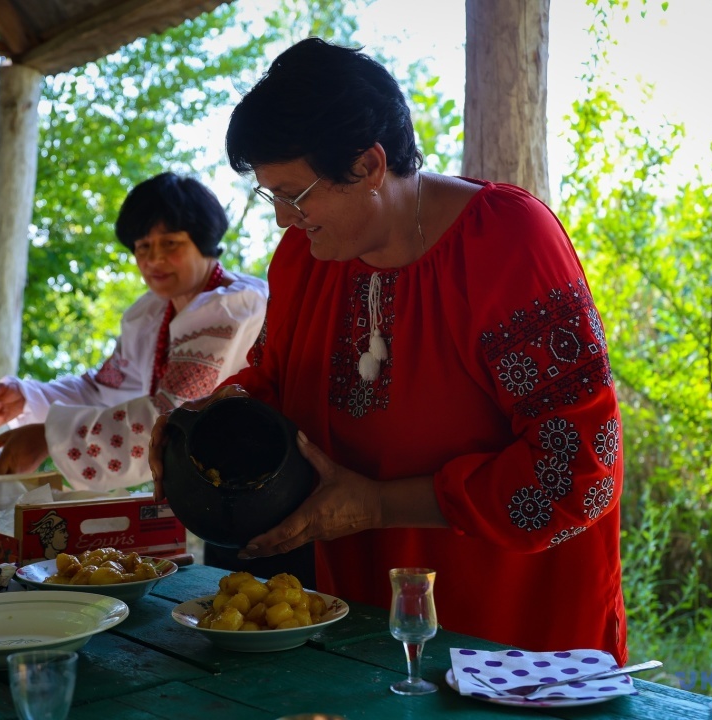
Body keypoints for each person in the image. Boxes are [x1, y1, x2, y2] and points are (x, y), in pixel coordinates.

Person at [150, 38, 627, 663]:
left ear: (370, 166)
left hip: (517, 643)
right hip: (364, 625)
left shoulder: (505, 243)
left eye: (295, 196)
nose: (283, 221)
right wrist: (204, 422)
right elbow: (277, 380)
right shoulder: (306, 258)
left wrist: (378, 504)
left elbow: (579, 470)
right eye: (271, 198)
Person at [0, 172, 268, 491]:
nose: (154, 259)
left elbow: (171, 418)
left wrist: (48, 437)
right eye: (143, 246)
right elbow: (103, 389)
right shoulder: (151, 315)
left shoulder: (232, 309)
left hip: (253, 484)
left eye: (170, 243)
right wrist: (27, 397)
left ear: (204, 241)